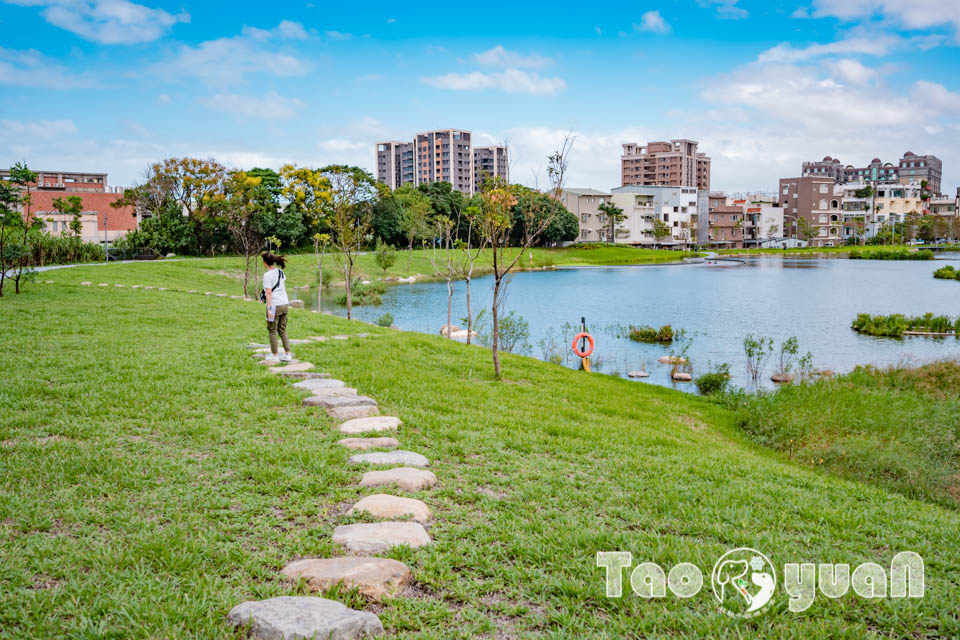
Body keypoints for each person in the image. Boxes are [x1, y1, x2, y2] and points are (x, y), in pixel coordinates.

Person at [261, 252, 292, 363]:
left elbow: (269, 293)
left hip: (275, 305)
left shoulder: (267, 275)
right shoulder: (280, 272)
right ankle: (288, 354)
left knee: (272, 330)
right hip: (284, 304)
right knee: (282, 330)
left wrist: (269, 309)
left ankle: (274, 355)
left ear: (265, 263)